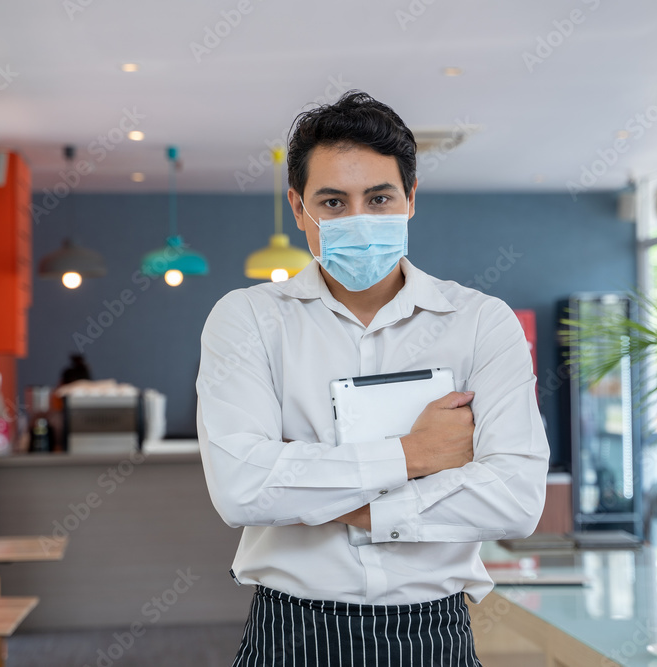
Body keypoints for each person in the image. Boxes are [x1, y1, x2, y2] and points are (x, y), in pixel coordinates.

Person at [196, 91, 549, 666]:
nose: (358, 219)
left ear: (411, 199)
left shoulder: (482, 322)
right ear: (298, 207)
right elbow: (241, 488)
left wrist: (331, 496)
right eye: (333, 202)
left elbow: (515, 499)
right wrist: (415, 454)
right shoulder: (248, 318)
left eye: (379, 198)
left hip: (434, 634)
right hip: (292, 632)